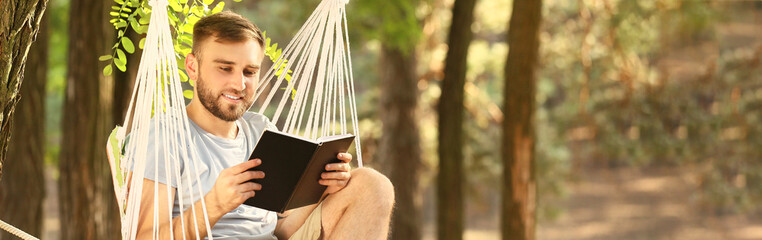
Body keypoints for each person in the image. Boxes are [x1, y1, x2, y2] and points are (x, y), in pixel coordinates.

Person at [135, 11, 395, 240]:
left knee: (373, 186)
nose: (239, 84)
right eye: (225, 68)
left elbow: (280, 230)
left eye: (249, 72)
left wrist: (324, 189)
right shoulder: (165, 137)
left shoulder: (260, 129)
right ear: (192, 67)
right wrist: (214, 204)